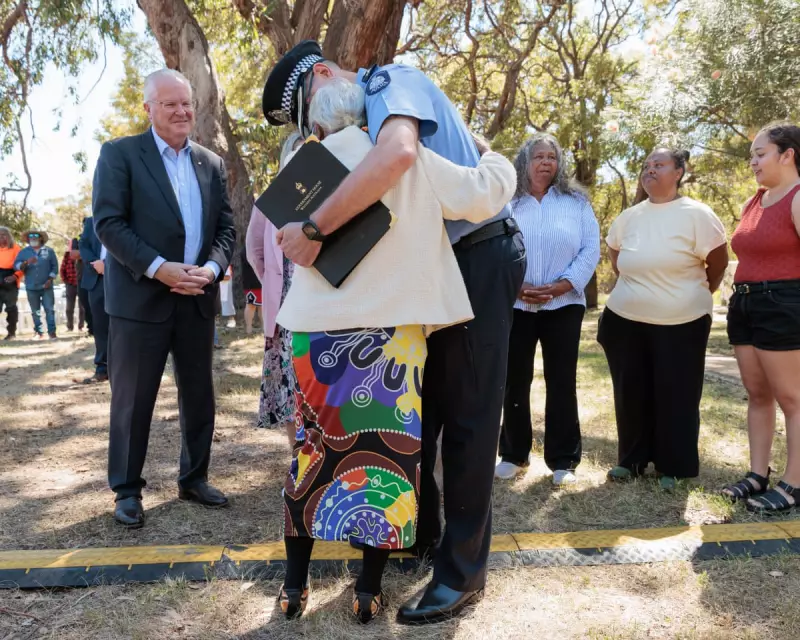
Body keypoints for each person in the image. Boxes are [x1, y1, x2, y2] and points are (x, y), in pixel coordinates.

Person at [263, 40, 525, 626]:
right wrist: (498, 157)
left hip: (322, 334)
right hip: (398, 326)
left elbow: (396, 154)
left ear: (322, 81)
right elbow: (481, 191)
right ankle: (401, 556)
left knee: (327, 455)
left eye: (305, 110)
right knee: (426, 431)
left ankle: (447, 570)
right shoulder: (390, 154)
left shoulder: (372, 105)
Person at [93, 69, 236, 529]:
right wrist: (160, 268)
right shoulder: (119, 154)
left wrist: (210, 270)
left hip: (195, 297)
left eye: (186, 103)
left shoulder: (211, 163)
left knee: (199, 395)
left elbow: (226, 229)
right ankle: (128, 490)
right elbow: (109, 225)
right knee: (133, 400)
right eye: (170, 103)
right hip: (140, 300)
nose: (181, 111)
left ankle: (194, 478)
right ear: (148, 108)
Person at [597, 149, 729, 491]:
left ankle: (675, 465)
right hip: (625, 320)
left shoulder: (697, 214)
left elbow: (716, 265)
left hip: (683, 321)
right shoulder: (629, 217)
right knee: (631, 391)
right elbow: (617, 259)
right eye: (646, 165)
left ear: (679, 172)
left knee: (677, 393)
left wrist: (690, 294)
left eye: (659, 165)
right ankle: (632, 460)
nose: (649, 170)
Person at [496, 134, 600, 485]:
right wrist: (515, 286)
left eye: (552, 157)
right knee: (514, 380)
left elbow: (590, 249)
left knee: (561, 381)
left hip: (564, 304)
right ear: (523, 161)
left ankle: (563, 462)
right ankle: (513, 455)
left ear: (559, 165)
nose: (545, 162)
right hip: (515, 303)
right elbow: (493, 248)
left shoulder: (576, 203)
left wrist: (563, 285)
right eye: (538, 156)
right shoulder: (505, 202)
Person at [721, 122, 800, 513]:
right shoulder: (755, 201)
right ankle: (756, 475)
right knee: (758, 394)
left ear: (787, 155)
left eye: (760, 153)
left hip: (784, 302)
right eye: (752, 155)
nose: (753, 161)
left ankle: (795, 484)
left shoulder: (798, 198)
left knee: (792, 397)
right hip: (746, 302)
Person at [246, 131, 303, 442]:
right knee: (287, 388)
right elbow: (254, 248)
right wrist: (272, 278)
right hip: (283, 303)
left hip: (316, 301)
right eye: (295, 153)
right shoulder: (270, 199)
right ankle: (297, 458)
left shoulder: (329, 190)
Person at [79, 216, 110, 383]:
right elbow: (83, 245)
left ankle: (127, 367)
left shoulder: (130, 216)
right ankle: (102, 368)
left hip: (124, 277)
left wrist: (108, 264)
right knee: (100, 325)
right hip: (96, 279)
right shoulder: (91, 221)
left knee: (125, 325)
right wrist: (95, 263)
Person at [14, 230, 58, 339]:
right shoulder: (24, 252)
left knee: (49, 309)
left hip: (46, 286)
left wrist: (50, 279)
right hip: (31, 287)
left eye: (35, 236)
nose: (33, 238)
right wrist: (26, 262)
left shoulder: (49, 251)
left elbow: (55, 267)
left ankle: (52, 332)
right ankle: (39, 333)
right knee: (35, 311)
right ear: (28, 239)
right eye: (30, 236)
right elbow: (16, 265)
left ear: (40, 238)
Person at [0, 227, 22, 340]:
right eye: (0, 235)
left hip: (11, 281)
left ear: (9, 236)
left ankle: (11, 333)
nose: (1, 237)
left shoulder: (16, 249)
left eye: (4, 234)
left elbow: (22, 266)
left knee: (11, 308)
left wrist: (15, 276)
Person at [60, 240, 84, 332]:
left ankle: (81, 326)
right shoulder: (67, 256)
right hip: (70, 284)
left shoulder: (83, 255)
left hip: (81, 284)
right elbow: (62, 269)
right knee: (69, 307)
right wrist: (66, 281)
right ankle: (70, 327)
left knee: (82, 307)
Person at [73, 238, 94, 337]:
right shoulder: (77, 240)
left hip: (97, 276)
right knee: (85, 304)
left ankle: (97, 328)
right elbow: (74, 254)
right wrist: (90, 254)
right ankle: (91, 328)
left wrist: (83, 254)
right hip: (81, 278)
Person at [240, 246, 261, 335]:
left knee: (262, 306)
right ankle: (249, 329)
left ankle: (264, 329)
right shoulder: (246, 249)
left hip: (262, 281)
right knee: (251, 305)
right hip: (251, 282)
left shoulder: (260, 247)